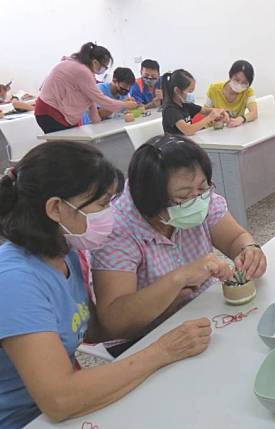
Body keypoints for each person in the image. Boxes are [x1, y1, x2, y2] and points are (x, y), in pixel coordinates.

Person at [0, 141, 213, 428]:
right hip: (28, 419)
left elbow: (94, 328)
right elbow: (59, 399)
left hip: (71, 404)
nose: (110, 214)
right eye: (102, 204)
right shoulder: (15, 281)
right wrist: (163, 350)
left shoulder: (65, 252)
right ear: (55, 208)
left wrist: (172, 297)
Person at [91, 135, 267, 357]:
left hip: (198, 312)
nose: (197, 201)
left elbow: (235, 239)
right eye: (183, 197)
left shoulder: (200, 196)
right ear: (150, 201)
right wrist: (179, 278)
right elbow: (115, 321)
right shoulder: (118, 229)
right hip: (144, 339)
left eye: (203, 188)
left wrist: (249, 249)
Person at [34, 42, 138, 133]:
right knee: (65, 147)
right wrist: (125, 105)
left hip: (50, 110)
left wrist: (97, 122)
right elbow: (100, 100)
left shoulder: (76, 66)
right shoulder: (82, 71)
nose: (104, 70)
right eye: (104, 66)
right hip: (51, 112)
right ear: (95, 62)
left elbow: (90, 99)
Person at [161, 69, 229, 136]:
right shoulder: (170, 110)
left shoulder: (185, 105)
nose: (191, 94)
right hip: (174, 145)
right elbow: (188, 130)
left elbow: (205, 111)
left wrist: (221, 112)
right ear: (177, 90)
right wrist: (210, 118)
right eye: (189, 91)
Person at [205, 60, 257, 127]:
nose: (239, 84)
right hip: (212, 130)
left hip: (232, 130)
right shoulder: (214, 89)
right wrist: (216, 118)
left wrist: (241, 119)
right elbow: (204, 112)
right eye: (237, 80)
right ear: (230, 75)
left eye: (244, 82)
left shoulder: (248, 92)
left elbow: (254, 113)